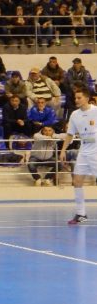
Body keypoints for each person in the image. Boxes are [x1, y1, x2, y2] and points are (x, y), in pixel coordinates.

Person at [61, 86, 97, 225]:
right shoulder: (74, 114)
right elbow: (70, 134)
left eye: (79, 97)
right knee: (76, 182)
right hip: (83, 152)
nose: (76, 100)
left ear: (87, 98)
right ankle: (81, 213)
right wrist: (63, 150)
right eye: (75, 98)